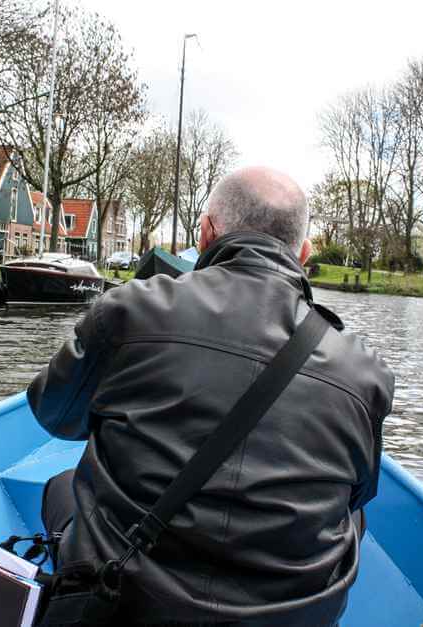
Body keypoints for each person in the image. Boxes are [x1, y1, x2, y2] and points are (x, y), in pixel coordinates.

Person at [28, 166, 394, 626]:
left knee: (61, 487)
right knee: (353, 519)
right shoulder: (366, 373)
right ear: (303, 254)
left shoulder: (130, 309)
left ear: (206, 233)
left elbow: (54, 414)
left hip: (130, 605)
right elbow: (358, 492)